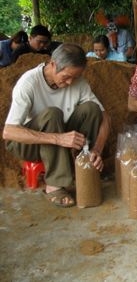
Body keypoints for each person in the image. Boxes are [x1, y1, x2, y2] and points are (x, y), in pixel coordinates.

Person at [3, 43, 111, 208]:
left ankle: (84, 164)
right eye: (66, 76)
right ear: (53, 64)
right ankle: (54, 185)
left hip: (59, 136)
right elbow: (9, 132)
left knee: (92, 109)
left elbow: (105, 117)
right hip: (27, 145)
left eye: (75, 77)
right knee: (52, 113)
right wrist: (58, 139)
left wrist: (97, 148)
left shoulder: (78, 82)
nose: (70, 82)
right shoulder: (28, 82)